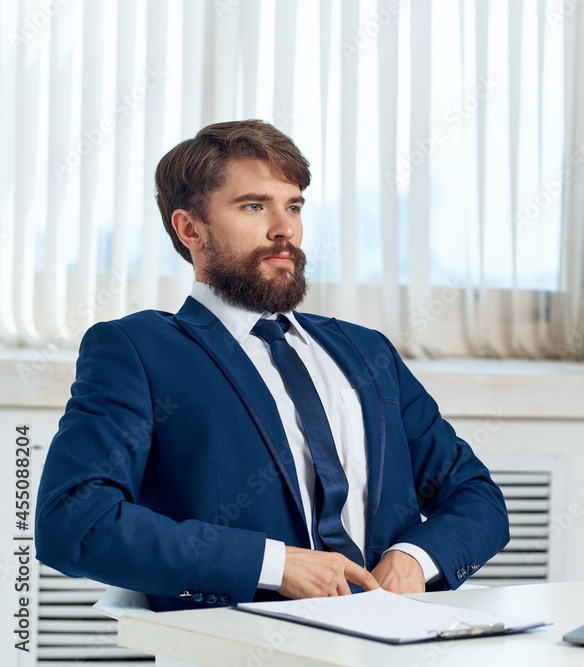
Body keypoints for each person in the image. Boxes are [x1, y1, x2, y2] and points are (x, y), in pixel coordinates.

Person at [36, 120, 509, 611]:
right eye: (254, 206)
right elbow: (73, 520)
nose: (284, 229)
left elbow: (477, 498)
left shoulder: (369, 351)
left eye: (294, 206)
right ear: (189, 228)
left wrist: (415, 559)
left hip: (390, 639)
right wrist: (275, 565)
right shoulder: (137, 349)